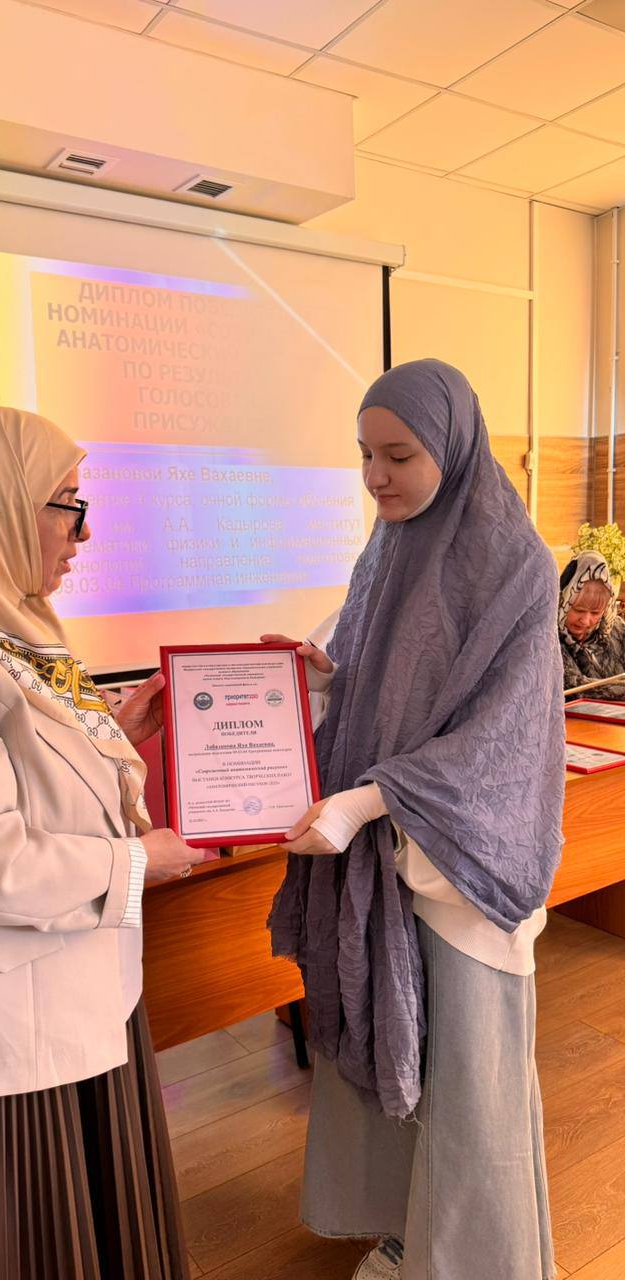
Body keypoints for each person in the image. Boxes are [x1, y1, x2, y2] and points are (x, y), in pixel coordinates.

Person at [265, 360, 565, 1280]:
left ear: (454, 446)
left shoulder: (516, 566)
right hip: (389, 858)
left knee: (470, 1078)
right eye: (364, 454)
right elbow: (383, 685)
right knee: (398, 1052)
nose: (375, 477)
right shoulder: (388, 551)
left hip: (462, 867)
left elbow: (502, 739)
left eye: (398, 456)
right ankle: (405, 1233)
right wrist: (325, 679)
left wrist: (364, 801)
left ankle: (477, 1261)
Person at [0, 406, 206, 1280]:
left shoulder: (4, 628)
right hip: (0, 1030)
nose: (85, 533)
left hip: (70, 990)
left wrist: (120, 728)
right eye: (67, 504)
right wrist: (140, 860)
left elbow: (26, 764)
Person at [559, 550, 625, 699]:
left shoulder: (618, 630)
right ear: (564, 601)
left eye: (595, 613)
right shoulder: (549, 637)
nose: (586, 620)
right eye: (578, 610)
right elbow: (575, 687)